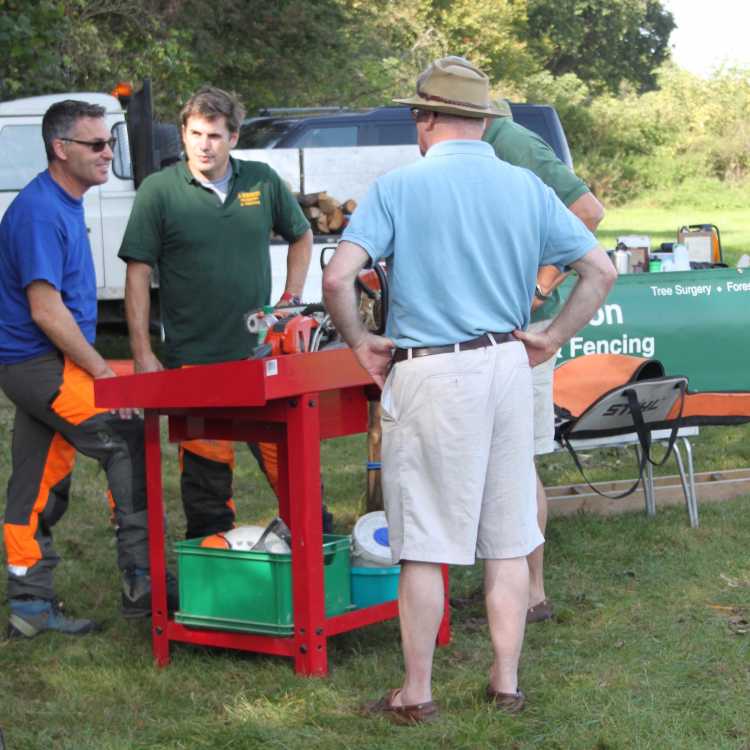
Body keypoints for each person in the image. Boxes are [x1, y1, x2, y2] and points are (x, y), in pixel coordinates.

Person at [323, 57, 616, 721]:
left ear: (424, 119)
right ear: (484, 121)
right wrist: (553, 335)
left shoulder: (398, 186)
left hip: (432, 370)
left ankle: (416, 693)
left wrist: (361, 343)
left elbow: (338, 280)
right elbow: (598, 270)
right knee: (509, 535)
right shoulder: (526, 187)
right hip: (509, 365)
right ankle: (505, 682)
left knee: (425, 541)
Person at [0, 100, 172, 638]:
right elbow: (45, 308)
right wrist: (101, 372)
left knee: (37, 479)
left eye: (110, 142)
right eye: (97, 145)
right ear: (61, 149)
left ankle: (28, 604)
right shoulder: (39, 212)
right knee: (124, 435)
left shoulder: (64, 202)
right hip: (37, 364)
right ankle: (144, 586)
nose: (108, 153)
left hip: (44, 363)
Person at [118, 86, 313, 539]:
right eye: (196, 134)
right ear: (183, 134)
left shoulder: (261, 181)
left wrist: (291, 297)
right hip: (196, 363)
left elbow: (301, 235)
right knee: (206, 489)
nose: (204, 145)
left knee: (295, 478)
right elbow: (137, 274)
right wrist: (143, 352)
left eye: (215, 136)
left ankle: (316, 572)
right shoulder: (159, 191)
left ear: (234, 137)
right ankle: (214, 588)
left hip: (263, 358)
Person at [483, 95, 605, 623]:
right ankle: (504, 580)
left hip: (525, 330)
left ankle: (533, 592)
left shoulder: (509, 140)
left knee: (516, 458)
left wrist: (545, 280)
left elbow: (588, 211)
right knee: (496, 459)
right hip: (493, 326)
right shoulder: (479, 152)